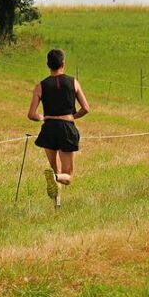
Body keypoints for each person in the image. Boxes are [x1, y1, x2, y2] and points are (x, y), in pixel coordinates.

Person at [27, 49, 90, 209]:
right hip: (66, 129)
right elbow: (86, 108)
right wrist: (71, 117)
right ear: (63, 64)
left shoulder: (40, 86)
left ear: (48, 65)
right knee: (67, 176)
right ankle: (55, 177)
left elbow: (31, 114)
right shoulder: (73, 82)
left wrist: (42, 117)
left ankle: (57, 203)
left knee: (55, 166)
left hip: (49, 129)